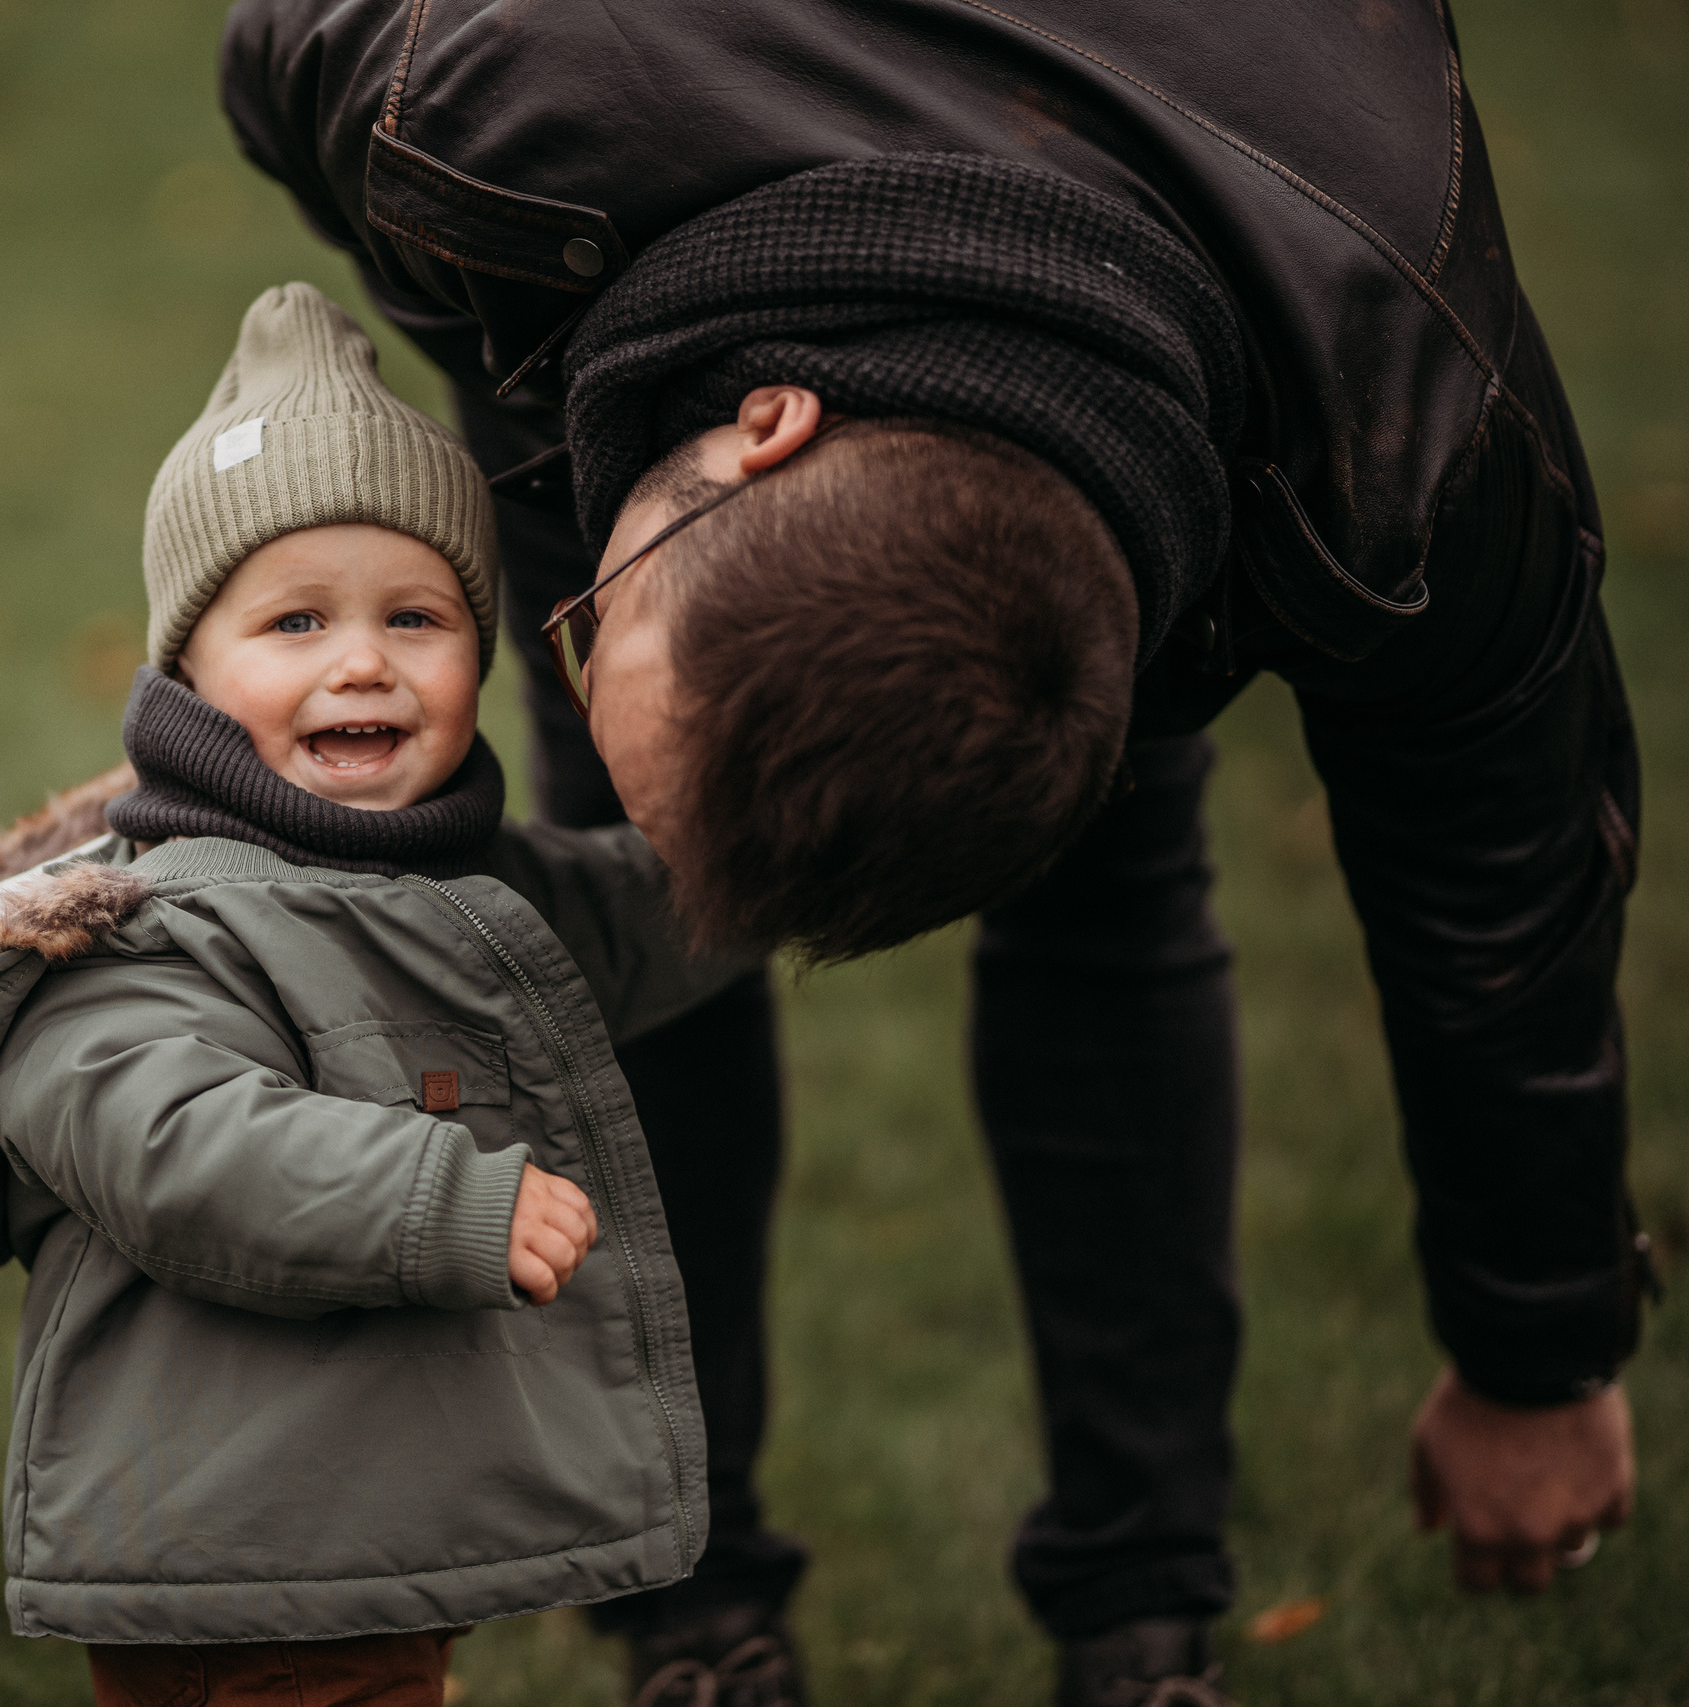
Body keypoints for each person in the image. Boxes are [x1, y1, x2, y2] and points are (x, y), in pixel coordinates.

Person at [217, 4, 1655, 1704]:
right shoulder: (466, 89)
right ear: (758, 430)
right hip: (609, 255)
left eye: (593, 628)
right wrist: (523, 340)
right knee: (630, 902)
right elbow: (274, 65)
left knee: (1107, 904)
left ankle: (1142, 1622)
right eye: (604, 633)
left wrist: (1539, 1357)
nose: (561, 650)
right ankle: (694, 1616)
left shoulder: (1416, 451)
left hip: (1172, 324)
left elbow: (1501, 904)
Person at [0, 283, 769, 1707]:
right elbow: (170, 1142)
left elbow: (657, 912)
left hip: (337, 1533)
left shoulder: (473, 893)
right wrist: (437, 1200)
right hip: (239, 1555)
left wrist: (828, 836)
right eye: (294, 622)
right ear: (189, 671)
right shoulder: (139, 919)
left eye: (416, 616)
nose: (362, 660)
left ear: (481, 654)